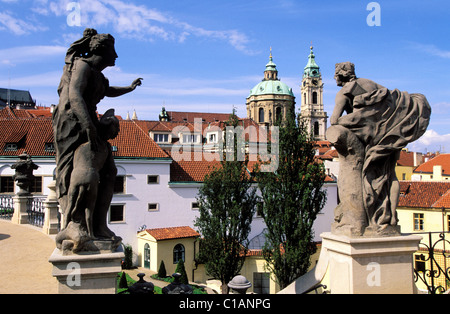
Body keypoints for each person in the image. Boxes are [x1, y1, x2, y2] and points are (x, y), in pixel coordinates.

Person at [53, 28, 142, 251]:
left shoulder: (98, 75)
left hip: (88, 122)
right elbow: (74, 95)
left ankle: (99, 224)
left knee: (110, 171)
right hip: (75, 126)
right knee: (87, 173)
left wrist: (129, 88)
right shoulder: (82, 66)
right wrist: (89, 127)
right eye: (114, 50)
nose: (117, 56)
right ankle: (77, 223)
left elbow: (108, 90)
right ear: (102, 50)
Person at [328, 62, 431, 237]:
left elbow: (334, 120)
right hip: (390, 135)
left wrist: (354, 119)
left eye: (335, 74)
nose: (334, 78)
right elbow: (392, 105)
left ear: (340, 75)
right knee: (389, 175)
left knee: (371, 177)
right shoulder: (371, 84)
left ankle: (375, 219)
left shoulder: (343, 93)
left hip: (371, 142)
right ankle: (389, 219)